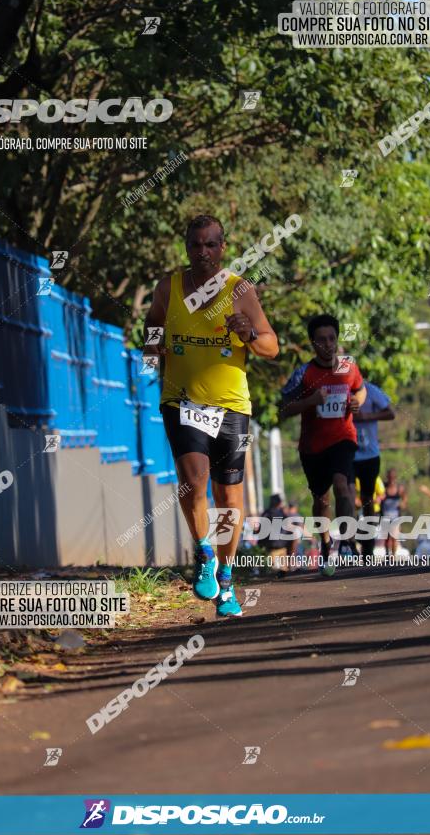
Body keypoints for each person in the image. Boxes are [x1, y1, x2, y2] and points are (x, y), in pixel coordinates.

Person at [144, 215, 278, 617]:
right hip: (181, 400)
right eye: (195, 245)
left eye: (210, 245)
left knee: (228, 496)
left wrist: (249, 334)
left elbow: (272, 346)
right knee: (193, 478)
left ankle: (226, 577)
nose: (202, 252)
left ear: (222, 248)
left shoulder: (240, 291)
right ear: (187, 247)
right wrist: (154, 352)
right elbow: (152, 327)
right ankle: (204, 551)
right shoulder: (169, 287)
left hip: (231, 405)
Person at [279, 313, 366, 577]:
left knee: (343, 485)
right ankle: (327, 544)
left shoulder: (349, 367)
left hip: (343, 438)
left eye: (332, 338)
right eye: (321, 340)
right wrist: (311, 402)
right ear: (312, 344)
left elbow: (360, 389)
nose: (328, 344)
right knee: (321, 500)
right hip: (312, 447)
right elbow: (282, 410)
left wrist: (357, 402)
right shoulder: (303, 375)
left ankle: (347, 540)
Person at [351, 381, 395, 563]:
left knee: (367, 500)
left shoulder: (371, 390)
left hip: (369, 455)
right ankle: (350, 544)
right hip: (345, 453)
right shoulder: (334, 389)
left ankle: (367, 549)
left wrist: (365, 416)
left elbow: (390, 413)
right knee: (345, 495)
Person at [381, 469, 407, 558]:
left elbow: (404, 500)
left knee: (394, 537)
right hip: (385, 516)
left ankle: (393, 555)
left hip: (396, 516)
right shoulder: (383, 487)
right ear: (387, 477)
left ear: (395, 478)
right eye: (390, 478)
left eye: (393, 478)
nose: (391, 479)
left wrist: (402, 504)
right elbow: (377, 497)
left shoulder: (399, 488)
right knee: (386, 538)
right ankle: (387, 554)